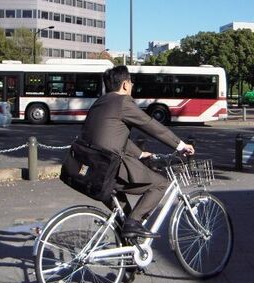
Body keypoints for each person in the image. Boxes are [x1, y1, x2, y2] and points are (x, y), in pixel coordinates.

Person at [81, 65, 194, 239]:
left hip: (90, 170)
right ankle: (134, 224)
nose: (132, 87)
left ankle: (131, 264)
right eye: (131, 83)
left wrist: (141, 154)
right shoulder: (123, 102)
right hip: (108, 168)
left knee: (124, 219)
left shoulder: (100, 103)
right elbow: (151, 126)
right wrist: (180, 145)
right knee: (160, 184)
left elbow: (116, 137)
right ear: (125, 84)